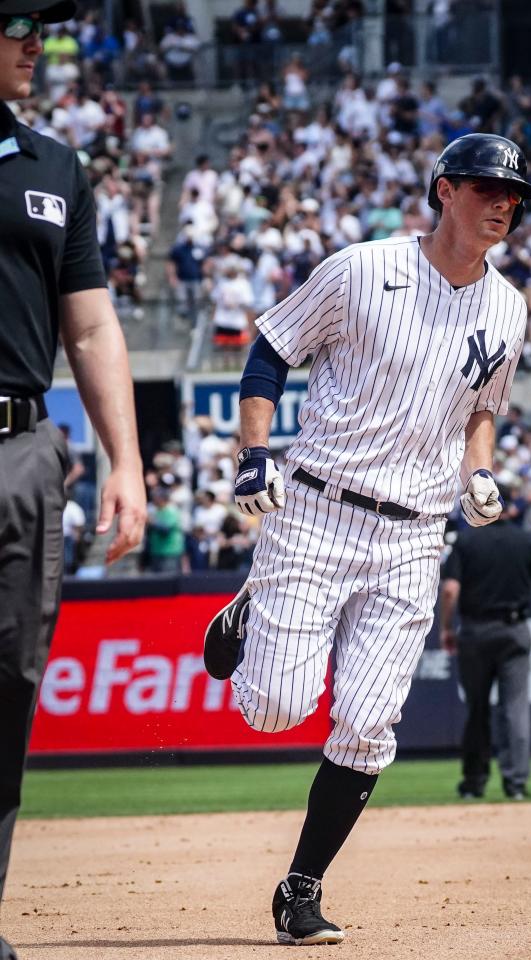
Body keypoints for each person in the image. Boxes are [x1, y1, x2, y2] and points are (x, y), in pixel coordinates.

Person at [202, 133, 531, 945]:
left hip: (416, 535)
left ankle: (300, 890)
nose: (504, 203)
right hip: (318, 508)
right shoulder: (362, 270)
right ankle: (245, 617)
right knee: (275, 710)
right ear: (444, 189)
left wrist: (479, 471)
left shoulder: (509, 305)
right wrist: (254, 457)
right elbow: (271, 349)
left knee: (367, 725)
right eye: (489, 187)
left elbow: (482, 406)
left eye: (515, 194)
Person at [0, 5, 147, 959]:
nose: (37, 43)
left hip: (21, 450)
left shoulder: (55, 167)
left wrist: (125, 463)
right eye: (18, 23)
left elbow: (89, 329)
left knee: (8, 681)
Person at [439, 489, 531, 801]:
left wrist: (447, 628)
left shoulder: (465, 541)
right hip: (515, 628)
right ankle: (516, 784)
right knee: (515, 709)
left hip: (475, 631)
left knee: (477, 708)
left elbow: (450, 590)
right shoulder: (528, 541)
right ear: (510, 509)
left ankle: (474, 783)